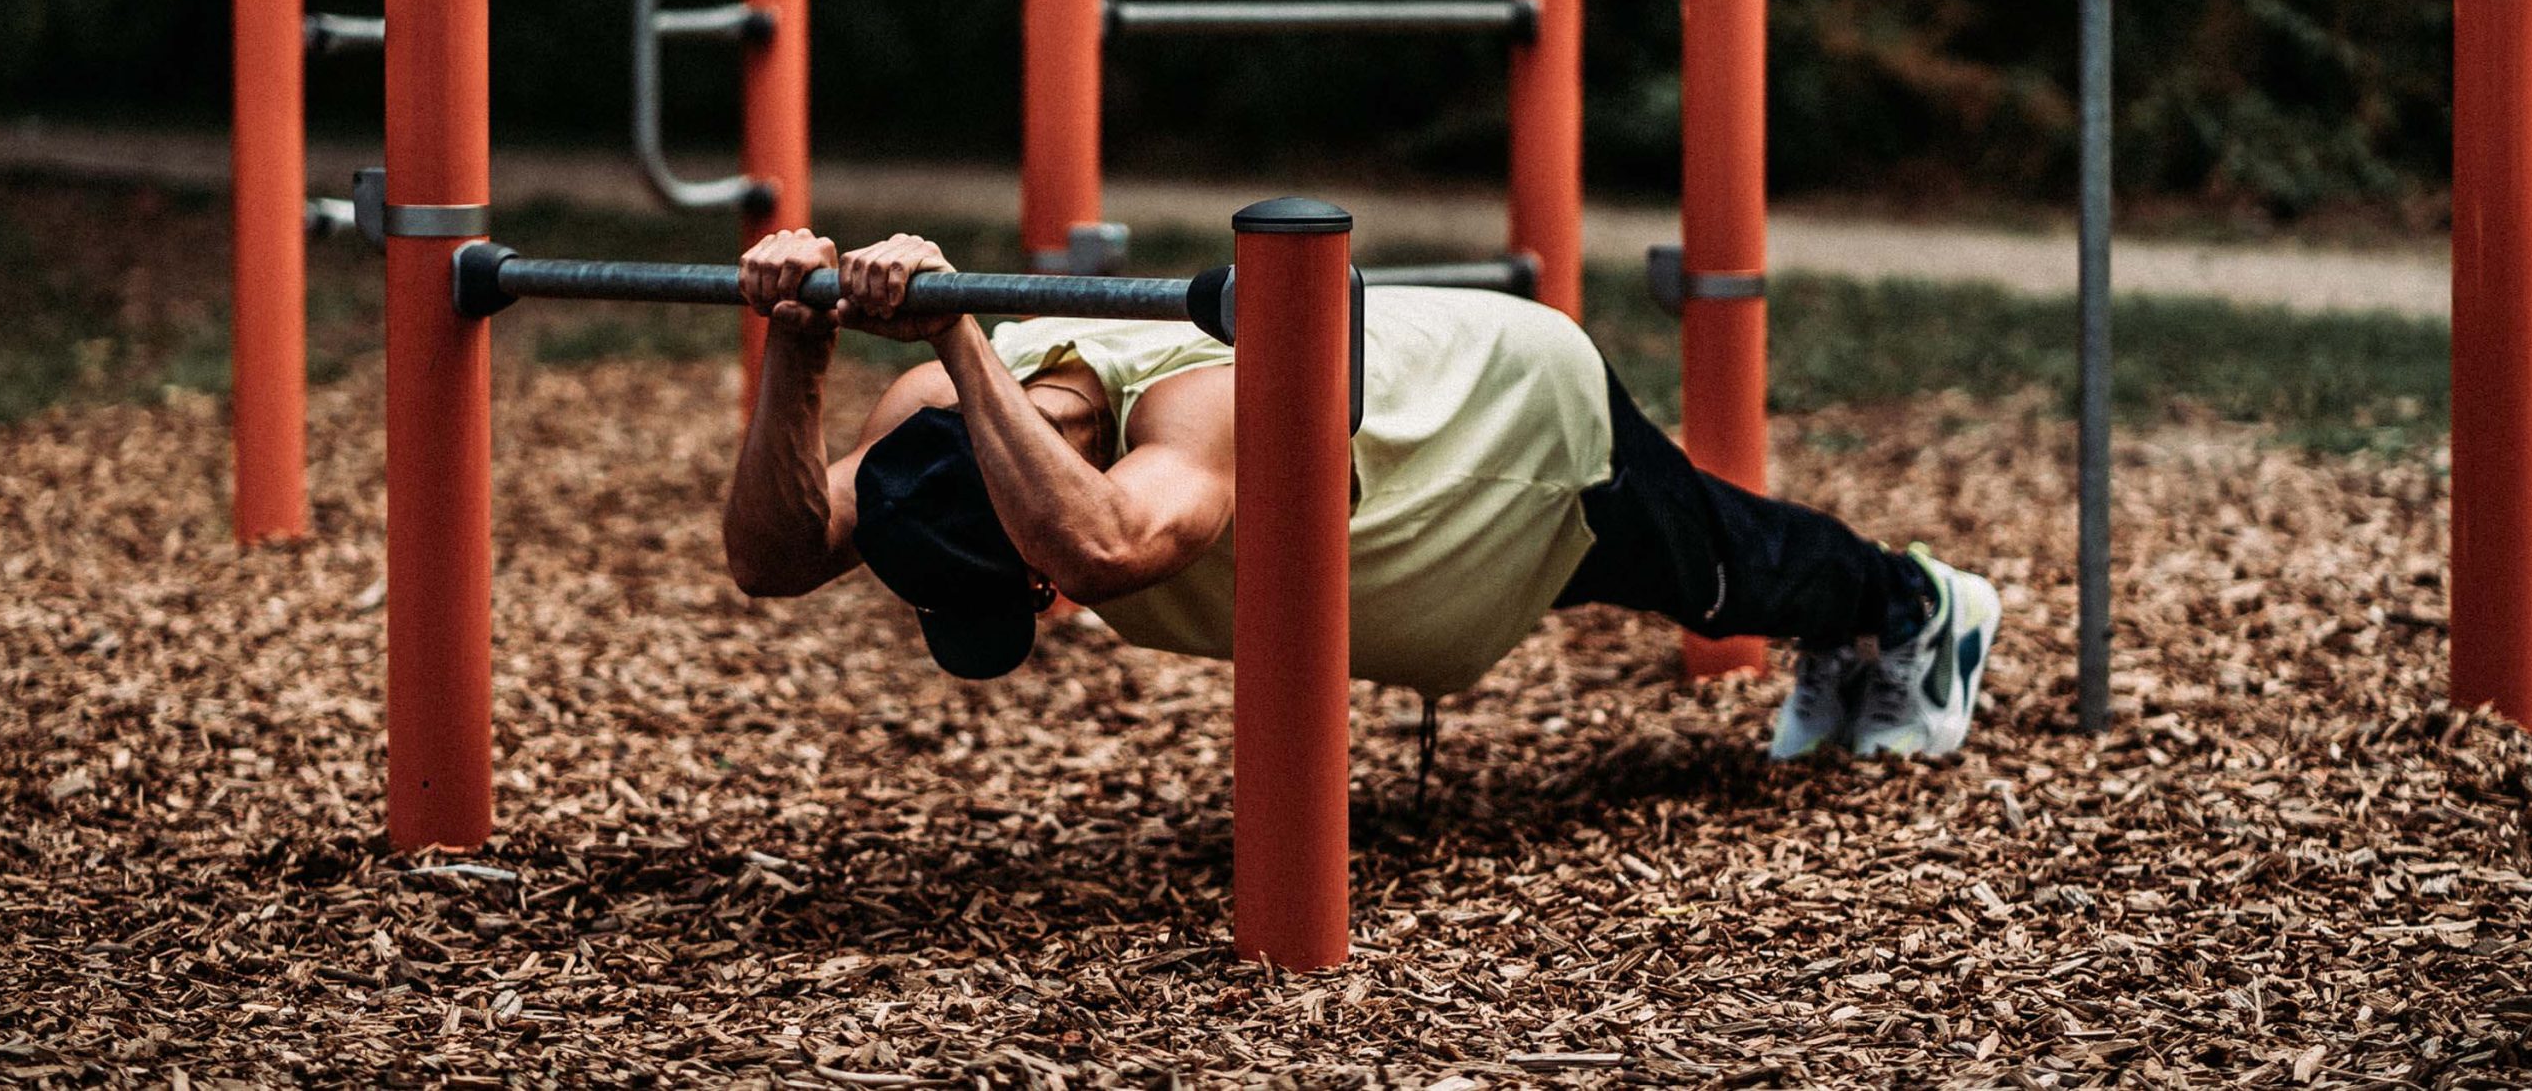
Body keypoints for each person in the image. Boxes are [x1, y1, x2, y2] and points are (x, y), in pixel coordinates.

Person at [724, 230, 2001, 760]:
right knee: (1720, 567)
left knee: (1722, 571)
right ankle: (1854, 625)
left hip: (1501, 436)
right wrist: (796, 342)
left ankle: (1916, 607)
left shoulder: (1191, 413)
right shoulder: (936, 430)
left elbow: (1109, 545)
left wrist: (951, 331)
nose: (1049, 606)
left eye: (1028, 587)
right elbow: (775, 559)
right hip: (1414, 518)